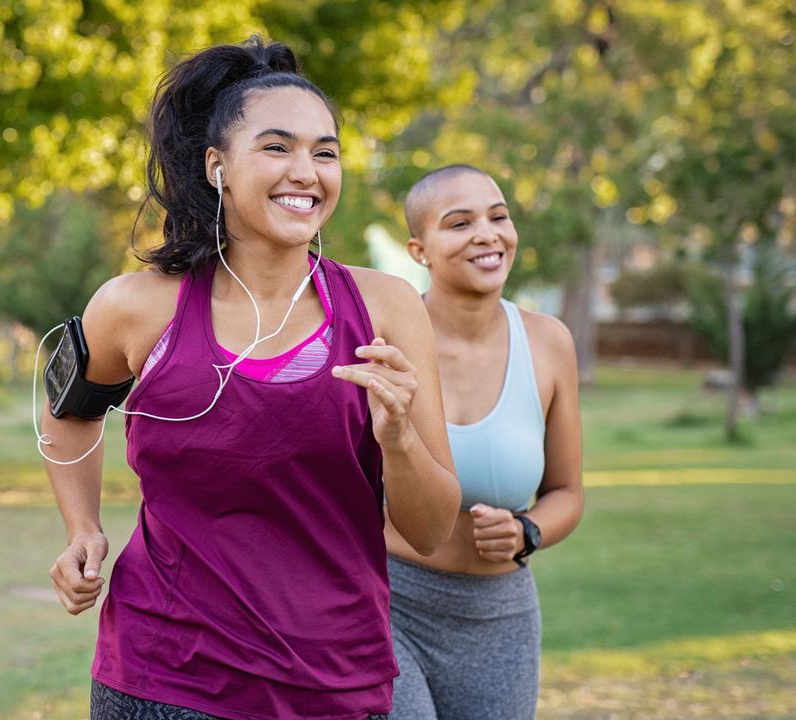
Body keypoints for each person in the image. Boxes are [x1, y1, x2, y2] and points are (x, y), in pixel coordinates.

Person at [39, 37, 460, 720]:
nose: (307, 171)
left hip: (332, 683)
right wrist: (81, 527)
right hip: (162, 680)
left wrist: (400, 438)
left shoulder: (386, 310)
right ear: (217, 167)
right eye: (277, 147)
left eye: (325, 152)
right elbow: (68, 410)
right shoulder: (136, 308)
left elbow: (432, 529)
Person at [387, 164, 585, 720]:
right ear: (419, 249)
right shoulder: (383, 342)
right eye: (459, 223)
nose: (487, 234)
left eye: (498, 217)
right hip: (388, 604)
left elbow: (567, 492)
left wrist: (528, 529)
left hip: (502, 615)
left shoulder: (549, 342)